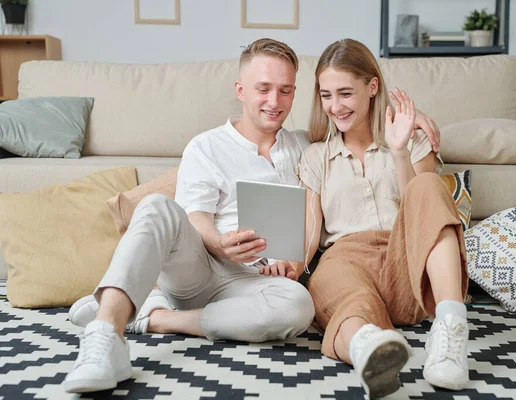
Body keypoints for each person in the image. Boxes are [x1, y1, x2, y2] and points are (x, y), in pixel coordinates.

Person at [62, 38, 443, 394]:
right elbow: (194, 218)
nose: (274, 101)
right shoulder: (206, 147)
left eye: (285, 90)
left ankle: (155, 317)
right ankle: (105, 338)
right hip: (200, 269)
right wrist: (218, 243)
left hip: (257, 286)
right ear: (241, 90)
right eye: (263, 88)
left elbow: (355, 120)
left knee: (299, 305)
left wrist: (412, 118)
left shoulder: (303, 145)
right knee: (156, 207)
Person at [259, 38, 470, 398]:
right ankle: (369, 350)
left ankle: (451, 332)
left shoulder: (410, 140)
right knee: (343, 297)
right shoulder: (314, 156)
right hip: (345, 261)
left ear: (372, 87)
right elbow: (311, 232)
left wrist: (400, 150)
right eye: (326, 95)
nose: (335, 106)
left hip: (405, 260)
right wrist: (292, 266)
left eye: (345, 93)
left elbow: (420, 211)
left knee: (429, 187)